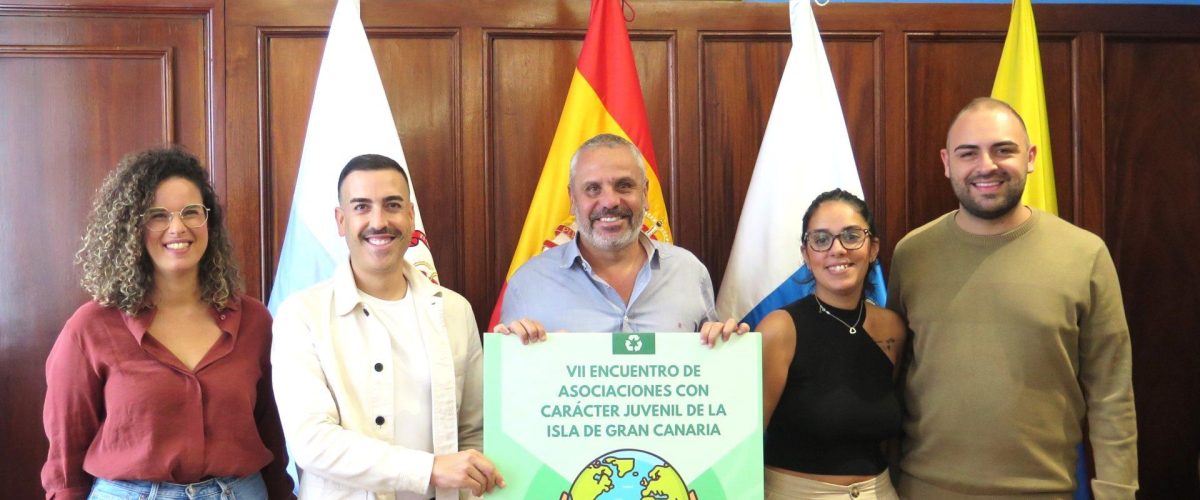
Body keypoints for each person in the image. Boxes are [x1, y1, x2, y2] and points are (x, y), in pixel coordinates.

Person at [888, 97, 1137, 498]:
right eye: (968, 153)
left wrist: (1117, 492)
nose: (986, 166)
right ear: (947, 162)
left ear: (1031, 156)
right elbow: (893, 378)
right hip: (923, 489)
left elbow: (1111, 392)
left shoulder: (1085, 254)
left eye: (1004, 149)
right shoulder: (912, 254)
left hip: (1046, 491)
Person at [42, 148, 293, 499]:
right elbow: (65, 458)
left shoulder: (254, 321)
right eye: (157, 215)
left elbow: (273, 433)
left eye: (191, 212)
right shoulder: (90, 328)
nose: (178, 227)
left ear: (210, 222)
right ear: (130, 228)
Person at [271, 154, 503, 499]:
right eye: (361, 207)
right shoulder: (301, 314)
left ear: (410, 215)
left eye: (392, 205)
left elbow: (475, 430)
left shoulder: (455, 310)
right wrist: (429, 469)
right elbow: (311, 442)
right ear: (341, 220)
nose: (378, 221)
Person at [495, 133, 745, 343]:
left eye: (624, 186)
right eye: (593, 189)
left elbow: (710, 377)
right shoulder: (529, 284)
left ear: (645, 193)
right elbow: (513, 390)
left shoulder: (689, 272)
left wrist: (724, 344)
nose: (610, 202)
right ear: (572, 199)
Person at [756, 189, 905, 499]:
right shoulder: (780, 329)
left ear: (873, 248)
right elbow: (746, 442)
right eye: (821, 240)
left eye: (851, 236)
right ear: (806, 255)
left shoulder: (893, 328)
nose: (837, 249)